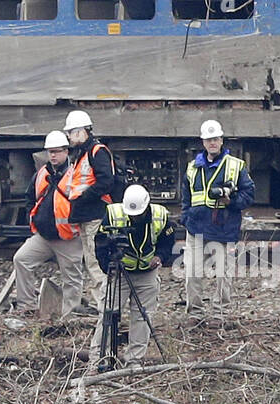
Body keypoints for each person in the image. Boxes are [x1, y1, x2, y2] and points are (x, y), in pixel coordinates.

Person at [92, 184, 175, 368]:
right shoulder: (113, 214)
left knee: (142, 317)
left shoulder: (160, 216)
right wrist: (108, 267)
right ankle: (98, 358)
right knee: (108, 315)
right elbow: (100, 244)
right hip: (119, 273)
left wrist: (160, 256)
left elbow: (167, 240)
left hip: (147, 273)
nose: (134, 217)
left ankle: (134, 360)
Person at [180, 119, 255, 315]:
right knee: (192, 273)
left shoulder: (235, 166)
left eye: (215, 139)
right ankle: (195, 313)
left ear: (221, 140)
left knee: (224, 274)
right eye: (208, 139)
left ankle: (221, 313)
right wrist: (186, 218)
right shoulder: (192, 167)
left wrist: (231, 201)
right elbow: (186, 196)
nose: (212, 143)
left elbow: (248, 195)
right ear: (203, 142)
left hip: (223, 226)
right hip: (196, 227)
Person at [12, 131, 85, 315]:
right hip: (44, 236)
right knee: (21, 260)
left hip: (68, 237)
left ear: (66, 151)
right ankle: (26, 306)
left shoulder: (74, 174)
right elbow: (30, 198)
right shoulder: (41, 174)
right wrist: (33, 218)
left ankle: (70, 315)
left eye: (56, 151)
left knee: (72, 277)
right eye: (49, 151)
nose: (52, 155)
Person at [64, 109, 117, 315]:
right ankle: (103, 305)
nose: (69, 136)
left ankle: (107, 308)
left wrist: (84, 197)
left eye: (71, 132)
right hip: (86, 215)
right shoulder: (82, 154)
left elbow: (106, 181)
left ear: (81, 131)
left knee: (96, 263)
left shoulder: (96, 151)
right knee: (92, 263)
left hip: (95, 215)